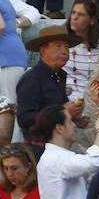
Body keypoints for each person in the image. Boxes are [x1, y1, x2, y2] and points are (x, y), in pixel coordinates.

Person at [17, 26, 84, 160]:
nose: (65, 51)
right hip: (39, 150)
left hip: (58, 148)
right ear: (43, 50)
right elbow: (24, 118)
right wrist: (62, 110)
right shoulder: (32, 78)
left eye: (66, 47)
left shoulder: (58, 76)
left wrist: (74, 118)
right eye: (58, 46)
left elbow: (56, 109)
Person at [64, 0, 99, 103]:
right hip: (64, 99)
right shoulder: (60, 41)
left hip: (92, 100)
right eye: (73, 12)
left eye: (80, 14)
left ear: (92, 20)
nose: (74, 17)